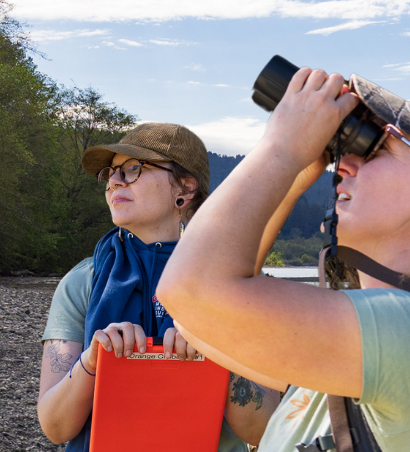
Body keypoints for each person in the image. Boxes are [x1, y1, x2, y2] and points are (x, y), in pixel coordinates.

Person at [155, 67, 410, 451]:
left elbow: (191, 290)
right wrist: (300, 169)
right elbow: (200, 323)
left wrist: (284, 148)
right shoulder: (379, 342)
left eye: (378, 148)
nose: (343, 164)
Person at [35, 122, 280, 452]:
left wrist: (215, 356)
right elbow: (55, 426)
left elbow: (266, 430)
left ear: (185, 188)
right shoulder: (82, 282)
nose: (114, 181)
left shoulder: (236, 283)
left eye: (133, 168)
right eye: (111, 172)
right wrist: (92, 363)